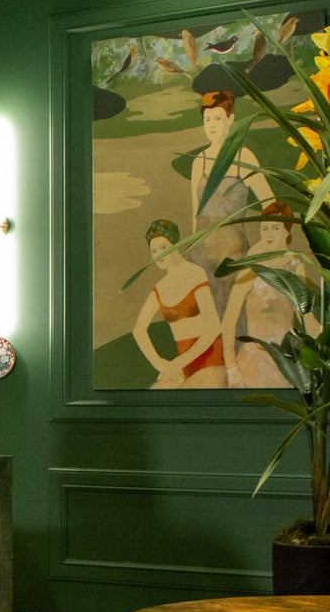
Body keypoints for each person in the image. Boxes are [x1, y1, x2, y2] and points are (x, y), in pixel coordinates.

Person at [222, 203, 321, 387]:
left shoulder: (296, 267)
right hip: (254, 361)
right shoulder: (251, 268)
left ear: (286, 231)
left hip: (288, 360)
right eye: (265, 228)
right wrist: (232, 369)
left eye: (275, 228)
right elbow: (228, 322)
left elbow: (306, 319)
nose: (269, 234)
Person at [189, 89, 271, 311]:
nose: (212, 125)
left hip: (234, 255)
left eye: (218, 118)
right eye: (207, 120)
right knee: (207, 315)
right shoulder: (199, 161)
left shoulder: (244, 157)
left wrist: (267, 244)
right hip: (203, 256)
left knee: (236, 313)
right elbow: (195, 214)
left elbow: (270, 204)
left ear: (231, 119)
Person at [132, 217, 226, 388]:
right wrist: (160, 364)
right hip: (181, 366)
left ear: (175, 245)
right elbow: (138, 330)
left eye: (163, 247)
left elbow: (213, 327)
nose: (159, 255)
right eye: (154, 251)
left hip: (210, 358)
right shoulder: (160, 287)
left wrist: (176, 363)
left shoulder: (195, 273)